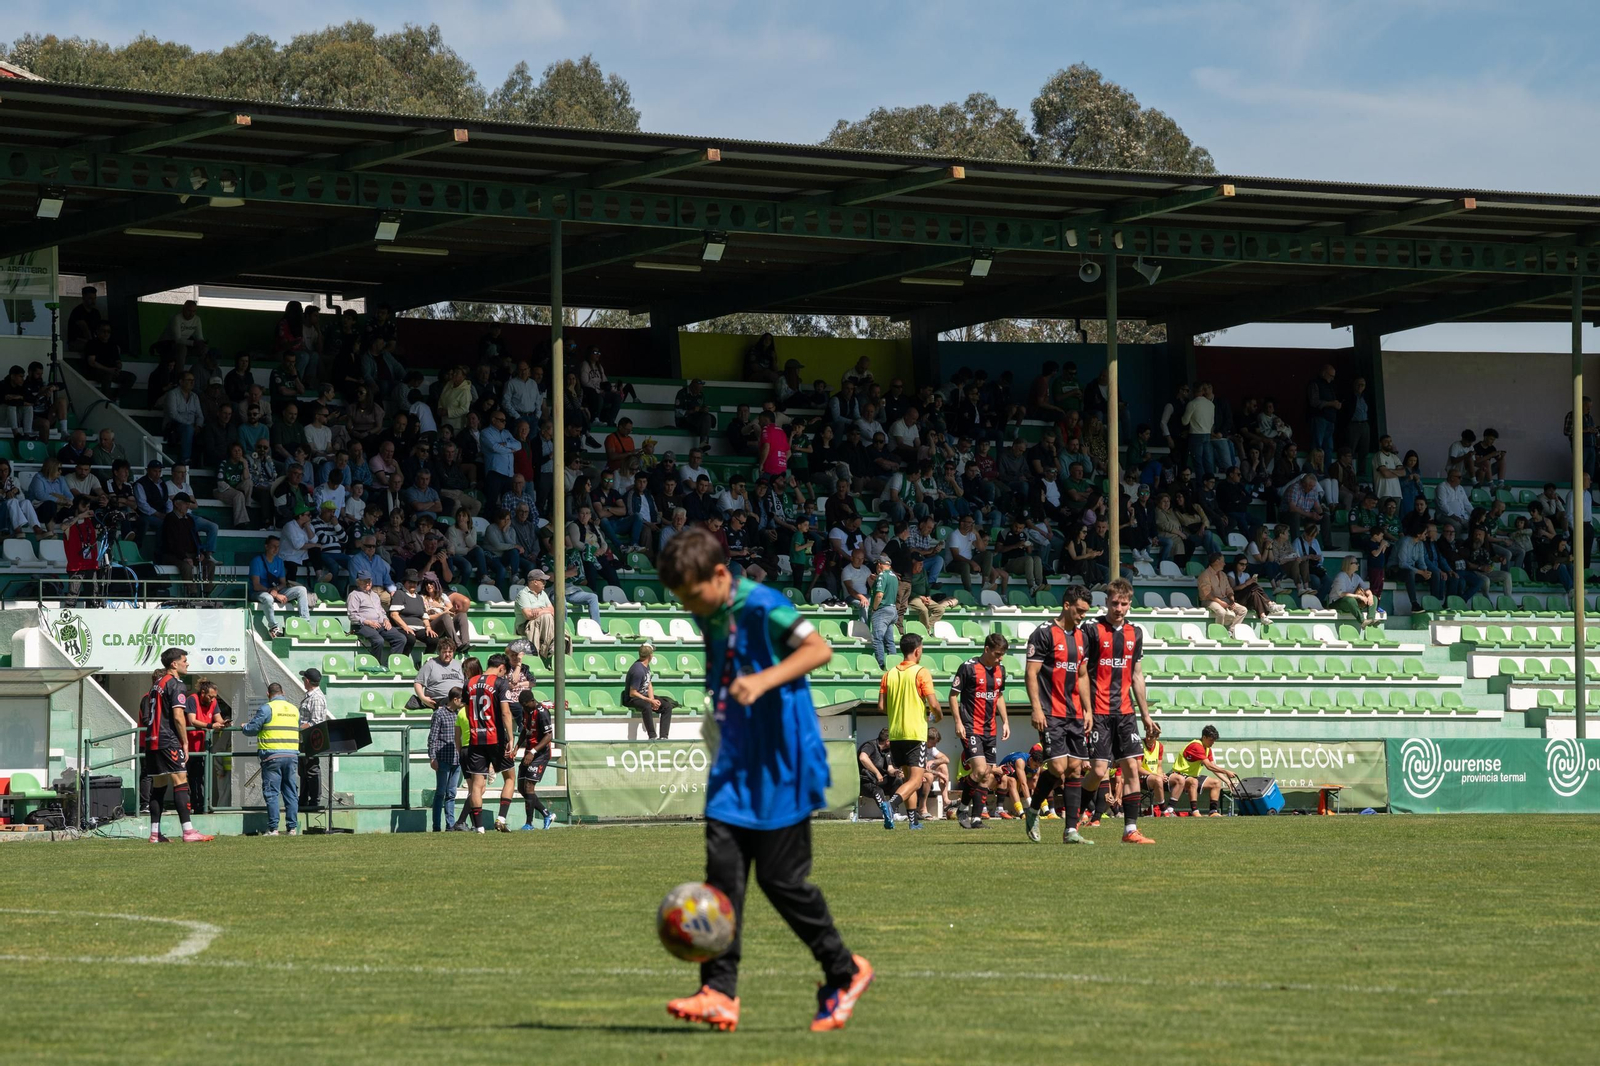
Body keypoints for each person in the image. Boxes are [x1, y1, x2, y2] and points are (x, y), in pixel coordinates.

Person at [657, 527, 872, 1034]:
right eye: (681, 599)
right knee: (722, 879)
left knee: (780, 881)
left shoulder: (763, 604)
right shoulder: (707, 611)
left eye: (693, 595)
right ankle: (718, 992)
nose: (690, 607)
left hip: (784, 760)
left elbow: (818, 650)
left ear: (720, 574)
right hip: (735, 762)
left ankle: (844, 971)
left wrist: (761, 680)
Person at [1081, 579, 1159, 844]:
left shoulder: (1135, 633)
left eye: (1124, 603)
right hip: (1099, 711)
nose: (1119, 608)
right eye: (1114, 603)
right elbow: (1081, 672)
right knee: (1098, 771)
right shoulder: (1091, 630)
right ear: (1106, 602)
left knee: (1132, 768)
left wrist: (1145, 715)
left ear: (1129, 604)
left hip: (1125, 712)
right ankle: (1078, 812)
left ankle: (1130, 830)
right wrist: (1085, 709)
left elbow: (1137, 675)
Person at [1023, 584, 1095, 845]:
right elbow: (1031, 673)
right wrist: (1036, 708)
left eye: (1086, 612)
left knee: (1075, 769)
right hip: (1050, 711)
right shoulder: (1043, 633)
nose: (1082, 616)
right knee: (1057, 767)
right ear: (1066, 605)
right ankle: (1033, 811)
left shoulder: (1082, 637)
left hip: (1074, 712)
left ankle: (1071, 830)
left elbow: (1083, 675)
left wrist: (1088, 709)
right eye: (1079, 610)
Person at [140, 649, 213, 843]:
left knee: (158, 786)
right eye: (184, 660)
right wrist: (185, 742)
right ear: (174, 664)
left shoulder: (157, 684)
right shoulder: (176, 684)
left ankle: (155, 834)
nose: (187, 664)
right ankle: (188, 832)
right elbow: (179, 716)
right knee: (181, 782)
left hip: (152, 741)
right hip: (168, 740)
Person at [877, 632, 940, 831]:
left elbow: (881, 706)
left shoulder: (889, 674)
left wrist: (898, 711)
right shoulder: (921, 672)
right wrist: (938, 716)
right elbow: (933, 704)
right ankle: (891, 805)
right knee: (916, 780)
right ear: (917, 651)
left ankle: (913, 822)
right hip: (914, 733)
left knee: (908, 778)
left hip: (896, 734)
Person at [948, 633, 1011, 830]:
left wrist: (1005, 721)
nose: (1000, 658)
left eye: (1003, 655)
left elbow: (999, 696)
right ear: (986, 649)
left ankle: (976, 818)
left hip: (990, 729)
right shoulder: (968, 667)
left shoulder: (1001, 670)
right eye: (997, 654)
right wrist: (958, 722)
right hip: (970, 727)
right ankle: (962, 808)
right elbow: (953, 695)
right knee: (980, 770)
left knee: (987, 774)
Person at [458, 654, 516, 833]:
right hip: (496, 738)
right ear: (501, 668)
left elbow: (467, 710)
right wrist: (511, 737)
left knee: (476, 784)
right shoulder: (500, 683)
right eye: (504, 672)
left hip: (476, 739)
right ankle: (501, 818)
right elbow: (505, 712)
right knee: (510, 777)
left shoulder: (469, 683)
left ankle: (479, 827)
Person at [238, 682, 302, 836]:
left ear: (268, 694)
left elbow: (253, 729)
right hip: (292, 755)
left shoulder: (267, 708)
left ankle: (273, 828)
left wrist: (244, 727)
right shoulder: (294, 710)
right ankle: (292, 828)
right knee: (290, 792)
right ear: (283, 692)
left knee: (272, 793)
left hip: (272, 756)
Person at [1166, 725, 1241, 817]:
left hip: (1192, 776)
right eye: (1211, 740)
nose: (1213, 742)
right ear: (1204, 737)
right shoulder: (1196, 746)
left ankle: (1213, 812)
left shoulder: (1207, 749)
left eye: (1214, 740)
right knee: (1194, 781)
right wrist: (1226, 771)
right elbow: (1209, 766)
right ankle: (1194, 811)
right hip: (1179, 775)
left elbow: (1213, 766)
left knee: (1216, 783)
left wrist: (1227, 781)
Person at [347, 572, 407, 666]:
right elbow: (352, 615)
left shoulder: (374, 595)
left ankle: (389, 665)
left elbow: (381, 611)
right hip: (362, 625)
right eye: (364, 581)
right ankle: (376, 665)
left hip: (379, 624)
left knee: (401, 638)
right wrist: (367, 622)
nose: (367, 584)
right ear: (358, 582)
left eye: (369, 581)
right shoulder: (354, 595)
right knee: (378, 641)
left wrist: (386, 620)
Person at [516, 690, 556, 831]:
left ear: (532, 701)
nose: (524, 708)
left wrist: (533, 752)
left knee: (529, 787)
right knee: (521, 788)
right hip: (529, 752)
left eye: (526, 705)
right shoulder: (526, 711)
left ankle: (529, 824)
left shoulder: (542, 713)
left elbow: (548, 736)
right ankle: (547, 814)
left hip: (540, 754)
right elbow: (524, 730)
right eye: (522, 706)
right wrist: (516, 747)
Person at [428, 686, 464, 832]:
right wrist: (432, 757)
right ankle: (436, 826)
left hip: (456, 759)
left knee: (451, 793)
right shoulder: (439, 714)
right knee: (441, 792)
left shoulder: (459, 714)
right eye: (461, 700)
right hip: (443, 758)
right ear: (455, 699)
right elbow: (433, 737)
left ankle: (450, 824)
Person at [624, 643, 679, 739]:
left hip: (643, 695)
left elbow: (648, 683)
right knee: (647, 706)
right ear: (650, 656)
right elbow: (632, 693)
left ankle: (664, 737)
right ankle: (652, 736)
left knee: (667, 706)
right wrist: (650, 701)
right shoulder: (637, 670)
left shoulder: (646, 665)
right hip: (632, 698)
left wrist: (652, 699)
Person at [856, 728, 902, 827]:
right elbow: (863, 758)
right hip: (865, 782)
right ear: (887, 741)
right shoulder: (870, 745)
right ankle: (887, 814)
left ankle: (894, 812)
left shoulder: (888, 751)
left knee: (897, 780)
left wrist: (895, 772)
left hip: (879, 780)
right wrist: (877, 772)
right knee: (878, 791)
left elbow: (890, 769)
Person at [866, 555, 900, 670]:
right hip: (892, 610)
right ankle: (894, 664)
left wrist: (874, 608)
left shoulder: (882, 575)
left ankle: (880, 665)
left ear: (879, 564)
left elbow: (879, 594)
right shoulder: (894, 576)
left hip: (882, 610)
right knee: (889, 640)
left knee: (877, 638)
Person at [1198, 552, 1248, 629]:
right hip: (1209, 600)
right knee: (1221, 612)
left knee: (1243, 610)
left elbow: (1229, 590)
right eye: (1223, 561)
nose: (1224, 564)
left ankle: (1231, 631)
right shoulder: (1205, 575)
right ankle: (1218, 632)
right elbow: (1208, 594)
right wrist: (1221, 603)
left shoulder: (1223, 575)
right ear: (1217, 561)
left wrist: (1232, 601)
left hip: (1224, 599)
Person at [1138, 732, 1168, 818]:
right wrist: (1157, 775)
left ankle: (1171, 809)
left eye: (1151, 737)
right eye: (1147, 735)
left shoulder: (1159, 746)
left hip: (1154, 776)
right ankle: (1163, 810)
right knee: (1158, 780)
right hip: (1141, 777)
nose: (1148, 738)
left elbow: (1159, 766)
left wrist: (1161, 774)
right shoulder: (1140, 745)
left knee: (1178, 779)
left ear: (1157, 737)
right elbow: (1138, 768)